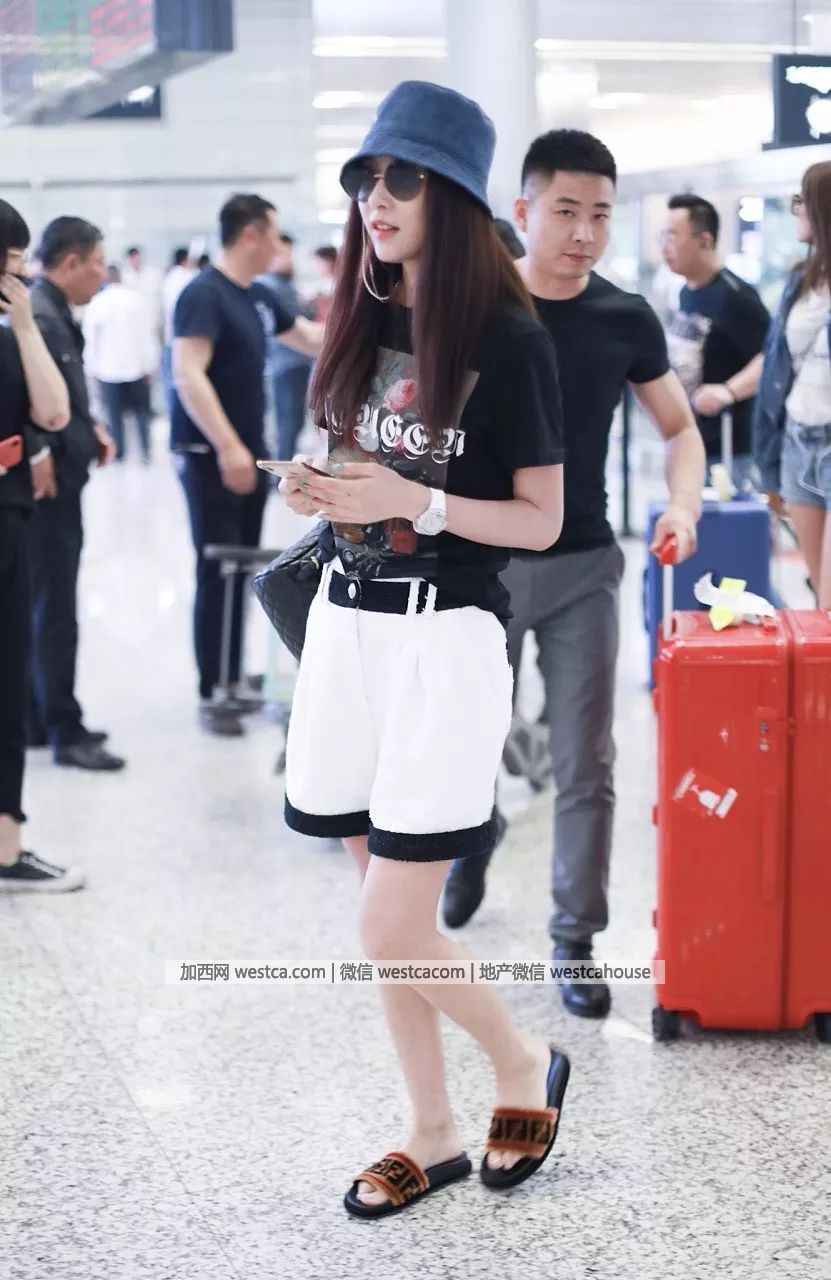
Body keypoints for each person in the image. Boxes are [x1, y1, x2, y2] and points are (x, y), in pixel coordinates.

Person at [279, 80, 568, 1217]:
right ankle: (431, 1129)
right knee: (382, 916)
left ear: (451, 196)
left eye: (401, 176)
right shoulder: (360, 318)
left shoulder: (510, 340)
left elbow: (539, 521)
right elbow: (356, 466)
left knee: (390, 920)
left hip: (444, 642)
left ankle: (521, 1062)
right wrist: (320, 488)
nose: (376, 196)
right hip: (344, 626)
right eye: (364, 176)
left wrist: (420, 500)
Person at [441, 130, 706, 1020]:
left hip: (585, 564)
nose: (584, 233)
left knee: (585, 758)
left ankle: (574, 936)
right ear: (522, 211)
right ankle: (474, 837)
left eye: (599, 214)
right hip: (479, 563)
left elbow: (678, 428)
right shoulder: (474, 310)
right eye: (565, 211)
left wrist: (681, 507)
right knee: (469, 741)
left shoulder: (623, 317)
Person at [171, 194, 323, 736]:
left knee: (241, 569)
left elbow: (309, 338)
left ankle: (233, 676)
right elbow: (187, 372)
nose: (280, 246)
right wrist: (228, 446)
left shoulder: (258, 295)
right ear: (252, 234)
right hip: (210, 455)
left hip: (248, 453)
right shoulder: (202, 294)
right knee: (217, 569)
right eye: (275, 235)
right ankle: (213, 689)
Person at [0, 199, 85, 892]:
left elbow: (53, 412)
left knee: (8, 677)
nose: (22, 275)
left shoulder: (12, 336)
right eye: (13, 262)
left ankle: (6, 845)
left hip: (10, 512)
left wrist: (25, 323)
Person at [27, 217, 124, 773]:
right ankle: (65, 730)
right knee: (55, 610)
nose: (100, 274)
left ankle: (39, 718)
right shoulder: (39, 317)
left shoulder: (51, 312)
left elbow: (62, 396)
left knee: (43, 604)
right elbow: (24, 397)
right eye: (96, 263)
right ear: (71, 263)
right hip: (49, 491)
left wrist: (91, 429)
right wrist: (40, 449)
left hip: (62, 480)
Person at [754, 161, 831, 608]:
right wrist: (768, 466)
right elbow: (774, 368)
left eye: (802, 200)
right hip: (797, 441)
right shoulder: (799, 280)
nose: (796, 209)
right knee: (821, 596)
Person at [661, 194, 769, 488]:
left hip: (727, 449)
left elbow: (771, 356)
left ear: (705, 241)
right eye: (662, 237)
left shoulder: (736, 297)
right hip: (688, 439)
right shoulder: (686, 291)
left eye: (672, 236)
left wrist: (728, 391)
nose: (664, 247)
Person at [83, 264, 159, 462]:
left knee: (114, 414)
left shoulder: (98, 302)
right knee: (141, 412)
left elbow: (91, 338)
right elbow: (148, 335)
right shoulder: (137, 300)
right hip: (137, 366)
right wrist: (150, 364)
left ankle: (119, 452)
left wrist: (91, 366)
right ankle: (145, 450)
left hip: (108, 368)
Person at [259, 233, 315, 459]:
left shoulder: (286, 284)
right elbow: (292, 323)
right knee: (288, 422)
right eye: (284, 254)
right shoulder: (270, 287)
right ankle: (282, 470)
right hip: (285, 363)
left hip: (299, 361)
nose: (289, 259)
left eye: (290, 253)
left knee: (294, 421)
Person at [161, 247, 195, 414]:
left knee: (171, 379)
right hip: (185, 337)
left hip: (170, 337)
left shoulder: (169, 278)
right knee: (185, 379)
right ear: (185, 259)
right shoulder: (187, 277)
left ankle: (173, 411)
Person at [311, 244, 338, 323]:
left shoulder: (338, 283)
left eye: (318, 263)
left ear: (329, 262)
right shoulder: (322, 283)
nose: (315, 267)